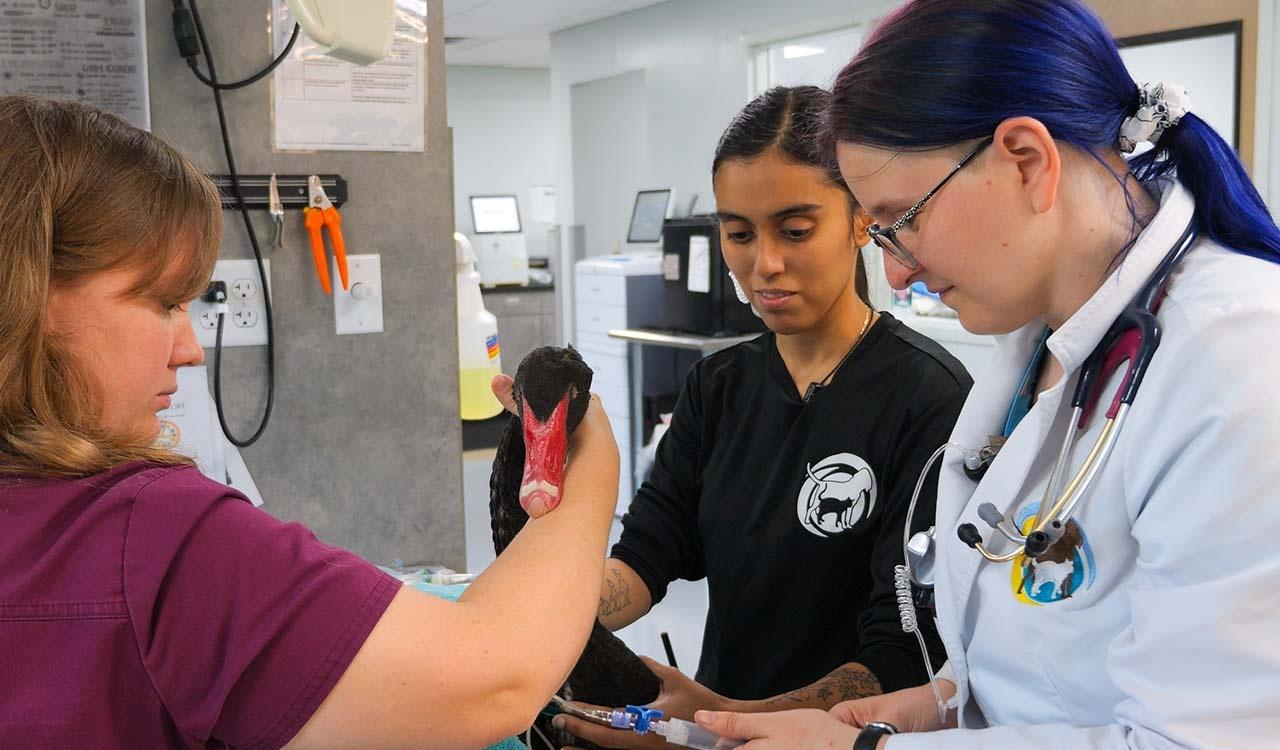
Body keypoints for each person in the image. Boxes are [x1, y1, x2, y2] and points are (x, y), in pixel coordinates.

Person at [691, 1, 1280, 748]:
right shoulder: (1039, 348)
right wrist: (945, 701)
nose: (896, 274)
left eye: (903, 221)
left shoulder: (1241, 364)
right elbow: (1053, 656)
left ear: (1026, 160)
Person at [0, 95, 622, 750]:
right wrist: (591, 465)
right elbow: (494, 680)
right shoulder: (152, 537)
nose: (188, 351)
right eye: (161, 304)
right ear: (31, 293)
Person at [557, 86, 972, 748]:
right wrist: (538, 610)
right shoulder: (717, 386)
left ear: (862, 218)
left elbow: (901, 648)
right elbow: (647, 554)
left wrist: (721, 718)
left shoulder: (930, 397)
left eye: (796, 229)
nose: (763, 265)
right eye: (739, 233)